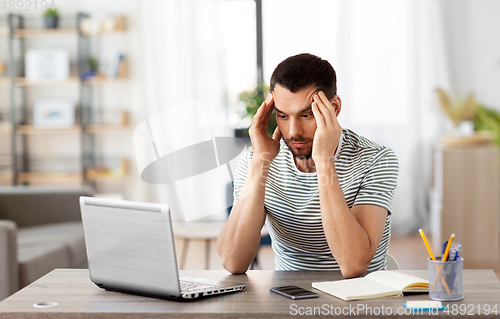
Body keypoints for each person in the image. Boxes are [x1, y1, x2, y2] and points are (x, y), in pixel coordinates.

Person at [217, 53, 398, 278]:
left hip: (359, 299)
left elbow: (353, 265)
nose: (293, 132)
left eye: (306, 114)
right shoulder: (259, 158)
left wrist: (324, 161)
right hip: (288, 297)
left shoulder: (376, 159)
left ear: (334, 108)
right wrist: (259, 164)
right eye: (282, 116)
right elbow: (233, 261)